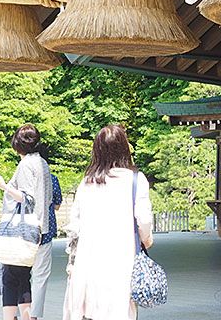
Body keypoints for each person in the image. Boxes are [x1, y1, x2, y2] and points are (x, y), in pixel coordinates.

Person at [64, 124, 154, 320]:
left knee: (89, 313)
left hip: (87, 263)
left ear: (97, 150)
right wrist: (146, 241)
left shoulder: (87, 181)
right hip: (121, 262)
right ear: (124, 148)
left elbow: (74, 226)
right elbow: (144, 221)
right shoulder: (136, 180)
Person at [0, 124, 52, 320]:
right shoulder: (42, 163)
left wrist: (3, 186)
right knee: (23, 277)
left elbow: (26, 198)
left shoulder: (26, 164)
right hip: (38, 228)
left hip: (22, 230)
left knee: (10, 278)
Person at [30, 171, 63, 320]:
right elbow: (57, 205)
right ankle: (33, 316)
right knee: (40, 276)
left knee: (21, 275)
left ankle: (20, 312)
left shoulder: (23, 177)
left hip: (24, 233)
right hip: (45, 232)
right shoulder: (52, 178)